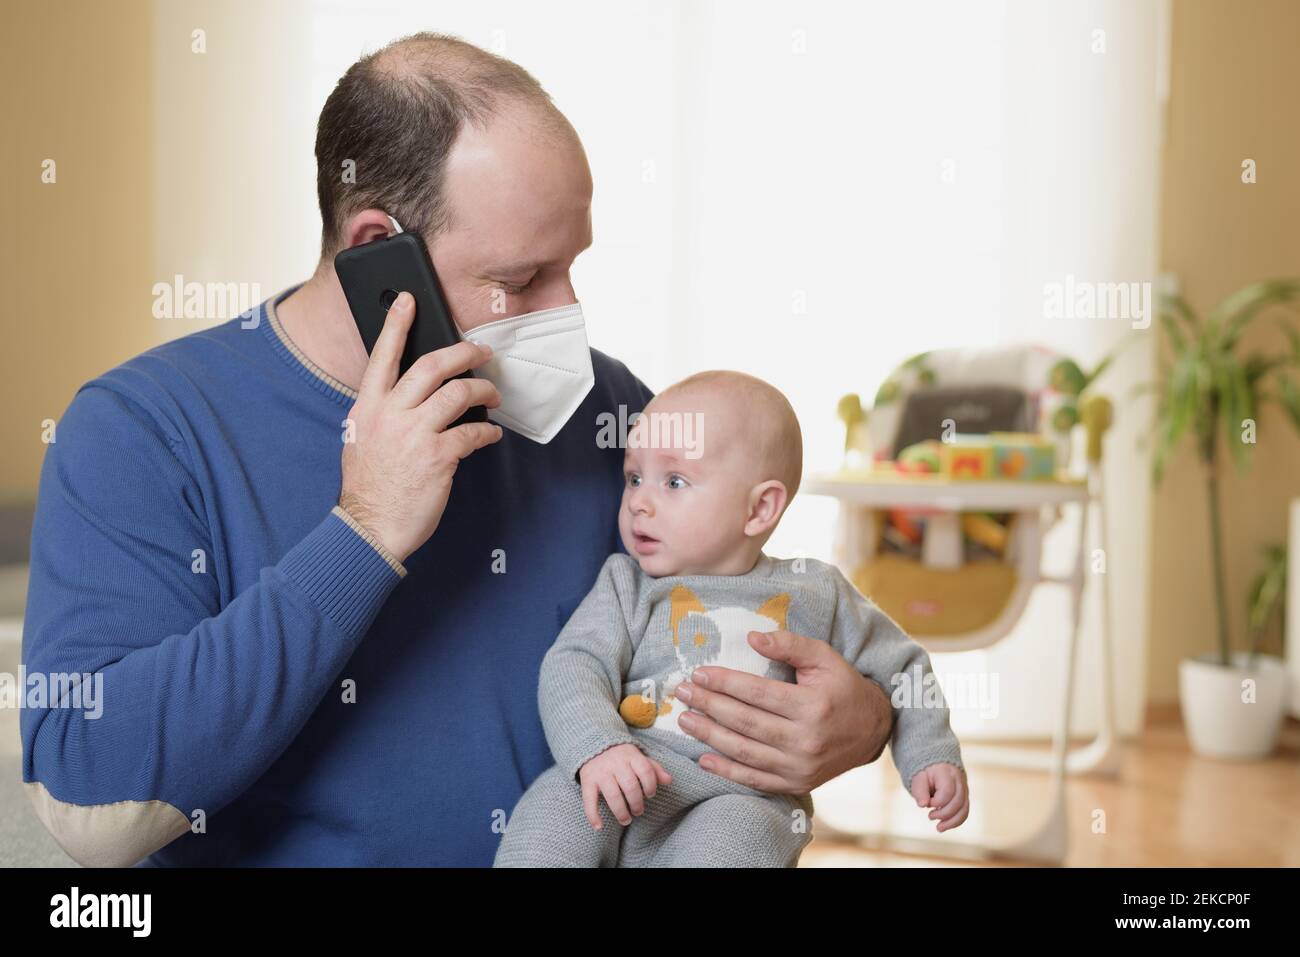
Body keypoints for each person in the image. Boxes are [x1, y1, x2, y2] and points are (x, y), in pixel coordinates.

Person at [21, 33, 895, 867]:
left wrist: (862, 718)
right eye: (520, 281)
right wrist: (362, 532)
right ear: (378, 251)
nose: (569, 316)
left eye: (570, 266)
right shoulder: (141, 430)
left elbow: (748, 609)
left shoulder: (609, 409)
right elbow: (88, 801)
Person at [494, 372, 968, 866]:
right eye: (633, 478)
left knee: (740, 836)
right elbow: (575, 663)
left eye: (674, 481)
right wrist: (598, 749)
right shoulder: (625, 584)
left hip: (745, 795)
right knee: (554, 810)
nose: (640, 501)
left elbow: (904, 666)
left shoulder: (815, 590)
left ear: (760, 508)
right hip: (629, 770)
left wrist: (929, 753)